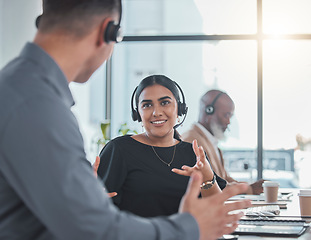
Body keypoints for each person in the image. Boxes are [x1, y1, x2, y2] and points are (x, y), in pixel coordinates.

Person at [0, 1, 251, 239]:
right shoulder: (37, 104)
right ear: (107, 31)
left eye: (165, 103)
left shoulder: (20, 90)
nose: (157, 112)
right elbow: (97, 231)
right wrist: (190, 228)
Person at [97, 75, 227, 217]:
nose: (156, 112)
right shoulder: (119, 149)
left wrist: (207, 177)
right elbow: (98, 209)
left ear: (179, 108)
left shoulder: (192, 153)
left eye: (165, 103)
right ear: (138, 114)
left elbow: (216, 210)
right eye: (147, 105)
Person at [182, 89, 264, 195]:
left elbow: (224, 180)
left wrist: (249, 187)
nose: (228, 122)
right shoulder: (192, 141)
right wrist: (248, 189)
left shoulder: (210, 141)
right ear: (209, 111)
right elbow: (209, 185)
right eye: (226, 115)